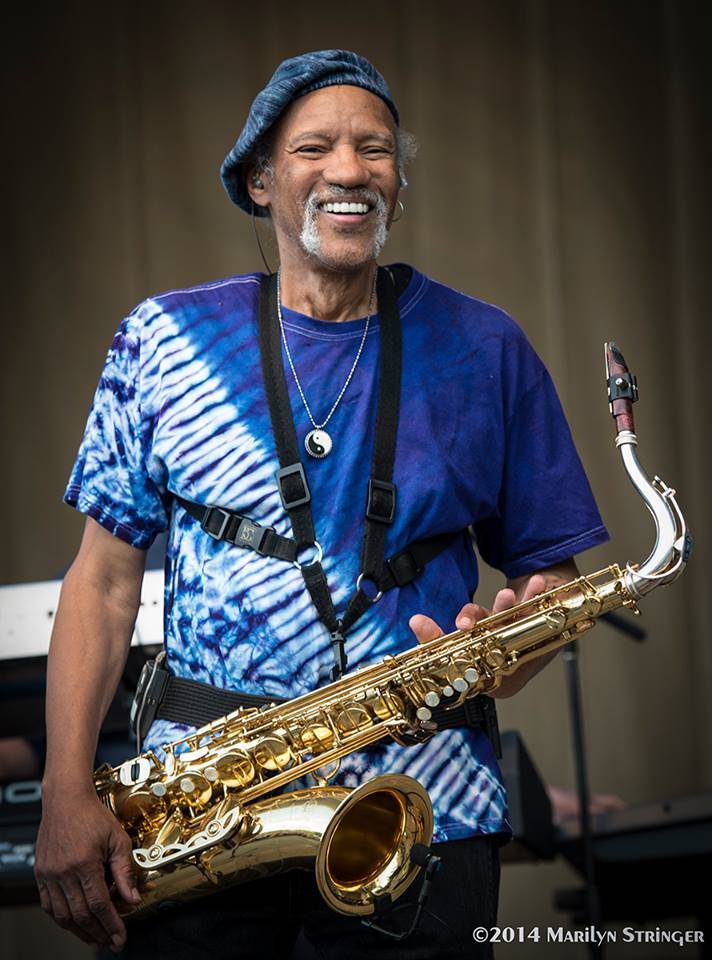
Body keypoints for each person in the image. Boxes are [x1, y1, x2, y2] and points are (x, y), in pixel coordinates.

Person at [34, 49, 609, 959]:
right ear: (261, 182)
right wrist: (67, 790)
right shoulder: (164, 340)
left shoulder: (485, 346)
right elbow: (101, 586)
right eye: (316, 147)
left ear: (400, 184)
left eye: (374, 149)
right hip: (202, 813)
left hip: (427, 807)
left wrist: (512, 650)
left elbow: (551, 574)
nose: (349, 170)